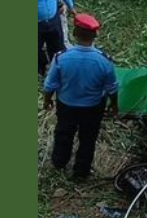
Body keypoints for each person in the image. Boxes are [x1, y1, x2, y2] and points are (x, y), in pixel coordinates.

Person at [42, 13, 119, 181]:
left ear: (75, 33)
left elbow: (50, 85)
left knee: (63, 133)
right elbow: (112, 88)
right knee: (88, 138)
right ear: (95, 35)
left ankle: (59, 162)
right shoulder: (104, 61)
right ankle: (81, 171)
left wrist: (47, 100)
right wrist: (114, 106)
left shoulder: (61, 57)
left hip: (66, 105)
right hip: (92, 107)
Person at [38, 0, 75, 76]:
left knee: (57, 47)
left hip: (54, 19)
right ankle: (41, 70)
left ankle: (57, 69)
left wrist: (71, 6)